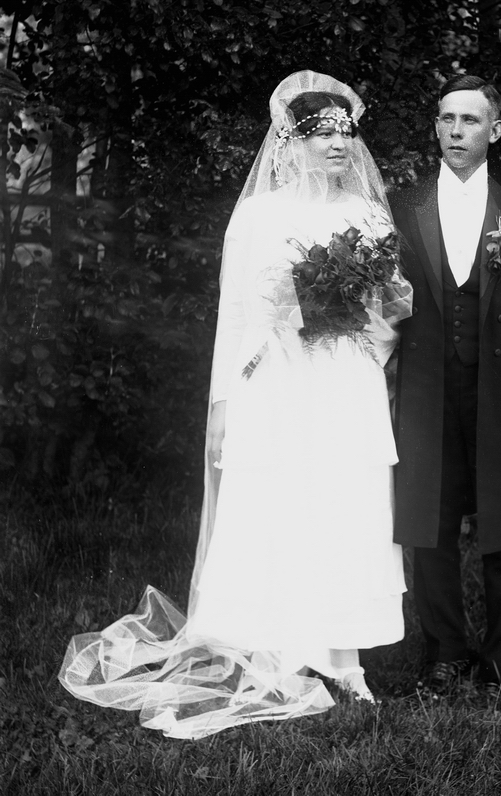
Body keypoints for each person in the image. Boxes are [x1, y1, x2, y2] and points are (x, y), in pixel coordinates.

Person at [59, 71, 412, 738]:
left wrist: (362, 331)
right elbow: (238, 316)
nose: (339, 144)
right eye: (323, 133)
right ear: (290, 143)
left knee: (342, 501)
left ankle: (343, 657)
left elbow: (389, 304)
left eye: (346, 132)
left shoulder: (367, 213)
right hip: (275, 378)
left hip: (343, 378)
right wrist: (224, 402)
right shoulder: (259, 216)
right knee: (280, 501)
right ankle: (277, 645)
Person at [390, 73, 501, 706]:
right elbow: (384, 298)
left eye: (469, 120)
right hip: (426, 393)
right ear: (436, 129)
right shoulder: (404, 207)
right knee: (431, 526)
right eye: (446, 119)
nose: (456, 130)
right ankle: (444, 654)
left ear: (494, 131)